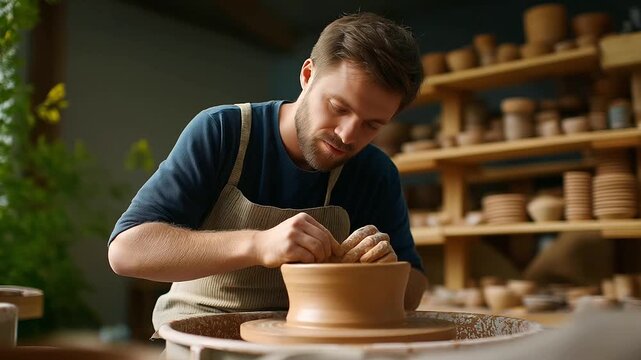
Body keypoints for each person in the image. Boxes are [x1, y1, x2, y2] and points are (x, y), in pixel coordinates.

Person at [107, 12, 428, 333]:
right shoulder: (222, 132)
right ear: (307, 75)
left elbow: (413, 288)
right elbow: (126, 252)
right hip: (201, 339)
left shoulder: (375, 172)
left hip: (311, 344)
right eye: (338, 107)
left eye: (372, 125)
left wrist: (386, 275)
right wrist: (258, 245)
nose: (347, 135)